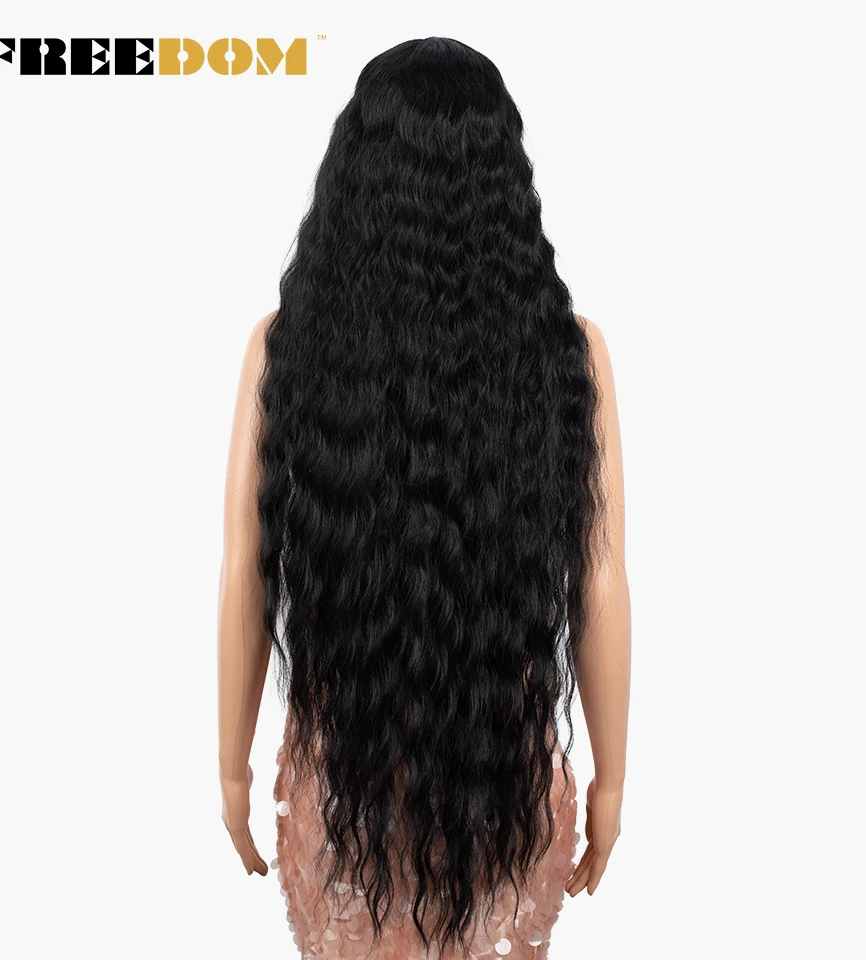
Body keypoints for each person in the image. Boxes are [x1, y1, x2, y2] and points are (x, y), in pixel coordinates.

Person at [217, 37, 631, 960]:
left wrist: (231, 768)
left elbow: (245, 572)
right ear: (504, 184)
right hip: (504, 793)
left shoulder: (286, 351)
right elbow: (600, 582)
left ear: (356, 172)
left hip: (344, 797)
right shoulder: (568, 358)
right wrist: (610, 782)